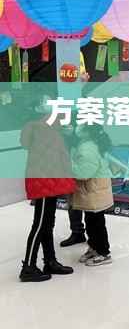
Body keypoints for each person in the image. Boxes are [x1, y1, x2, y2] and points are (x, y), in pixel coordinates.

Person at [20, 94, 76, 282]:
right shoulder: (37, 126)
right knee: (40, 224)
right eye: (45, 101)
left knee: (47, 223)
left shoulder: (47, 125)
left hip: (50, 180)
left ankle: (50, 261)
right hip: (43, 180)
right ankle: (28, 267)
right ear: (37, 109)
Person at [71, 124, 114, 266]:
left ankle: (104, 253)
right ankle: (94, 247)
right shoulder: (93, 144)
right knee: (92, 222)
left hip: (93, 191)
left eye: (81, 127)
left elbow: (83, 173)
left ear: (88, 132)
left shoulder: (88, 148)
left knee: (96, 224)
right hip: (94, 191)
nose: (77, 129)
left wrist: (69, 165)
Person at [59, 121, 86, 247]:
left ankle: (88, 235)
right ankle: (78, 232)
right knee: (72, 202)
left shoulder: (79, 130)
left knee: (84, 202)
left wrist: (73, 135)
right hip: (67, 170)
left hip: (79, 170)